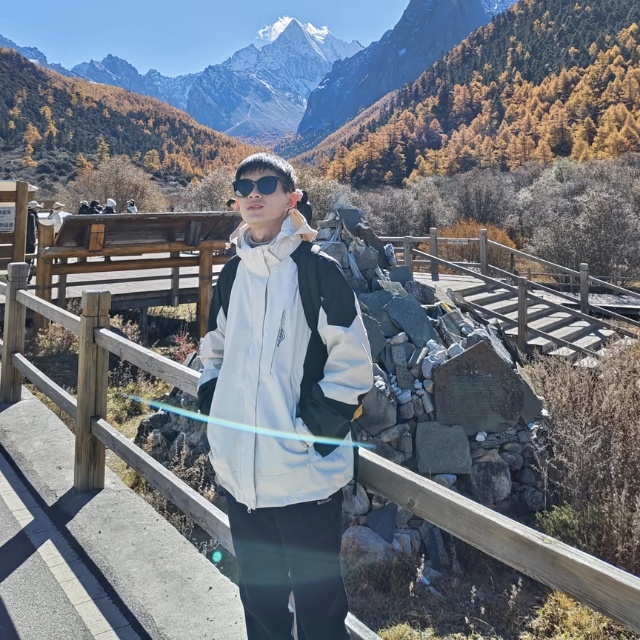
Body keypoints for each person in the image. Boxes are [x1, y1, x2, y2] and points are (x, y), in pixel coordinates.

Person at [198, 153, 372, 640]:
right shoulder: (233, 274)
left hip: (304, 479)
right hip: (240, 475)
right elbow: (214, 350)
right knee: (260, 604)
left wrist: (307, 436)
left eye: (267, 184)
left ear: (291, 198)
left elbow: (353, 365)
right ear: (236, 200)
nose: (253, 193)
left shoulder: (318, 272)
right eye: (244, 186)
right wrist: (216, 415)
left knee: (319, 611)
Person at [26, 200, 42, 282]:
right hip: (30, 242)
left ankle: (26, 277)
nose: (38, 209)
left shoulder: (24, 214)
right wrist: (33, 242)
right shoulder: (32, 216)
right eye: (37, 208)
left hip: (24, 242)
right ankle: (28, 278)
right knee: (29, 260)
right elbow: (32, 231)